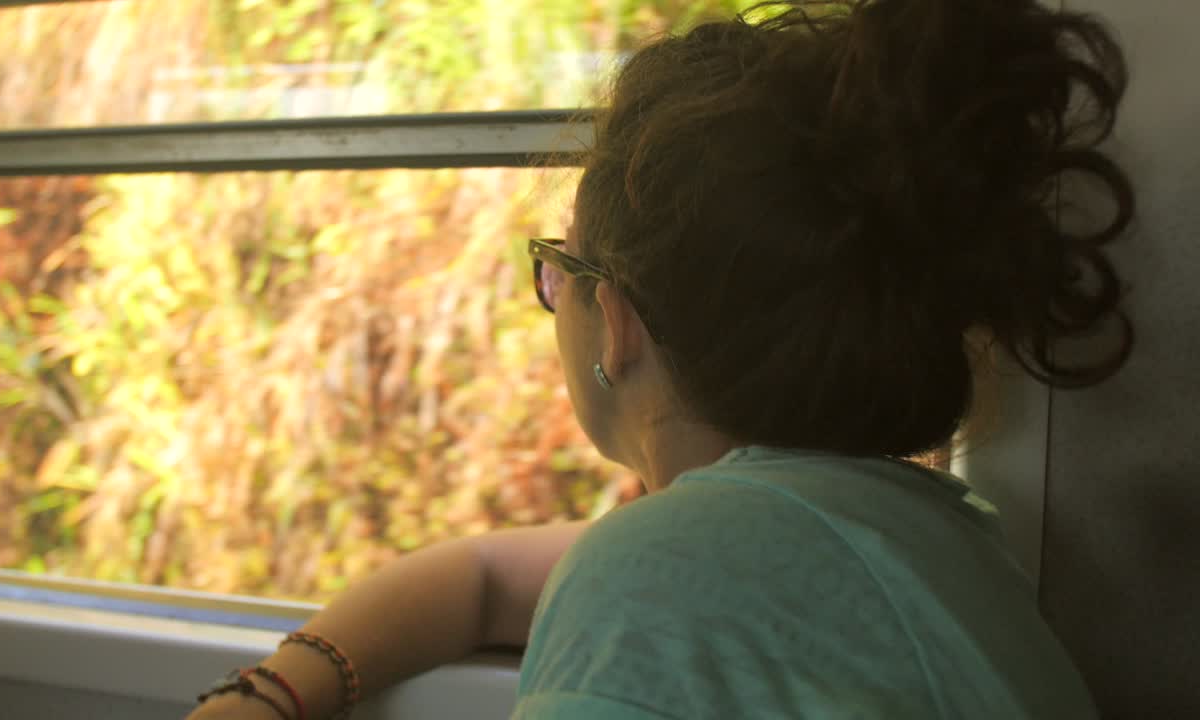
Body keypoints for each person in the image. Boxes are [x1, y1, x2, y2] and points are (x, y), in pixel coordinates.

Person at [188, 0, 1134, 717]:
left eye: (555, 271)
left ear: (616, 319)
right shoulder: (913, 534)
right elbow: (479, 576)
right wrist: (277, 690)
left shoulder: (674, 570)